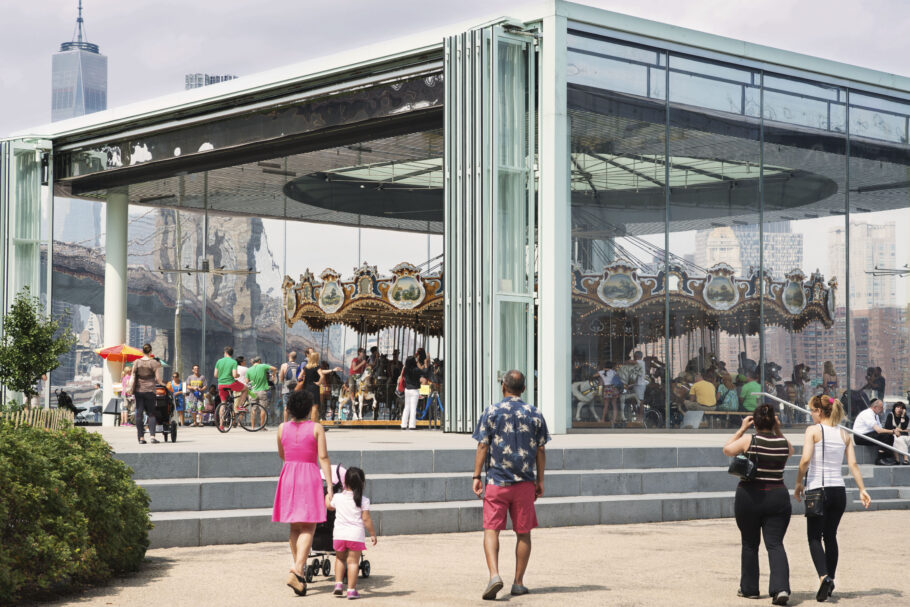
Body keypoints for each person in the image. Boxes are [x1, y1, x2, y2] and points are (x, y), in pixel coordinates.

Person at [472, 370, 550, 600]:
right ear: (524, 389)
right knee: (523, 533)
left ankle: (494, 575)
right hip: (524, 482)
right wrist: (541, 480)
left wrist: (477, 476)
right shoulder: (534, 413)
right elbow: (541, 449)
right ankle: (518, 582)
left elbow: (483, 446)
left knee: (491, 530)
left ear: (503, 387)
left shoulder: (492, 411)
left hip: (497, 481)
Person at [793, 394, 872, 602]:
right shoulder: (845, 434)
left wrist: (799, 482)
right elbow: (853, 465)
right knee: (830, 536)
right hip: (839, 491)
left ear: (819, 411)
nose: (810, 414)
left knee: (813, 537)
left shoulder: (813, 431)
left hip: (818, 490)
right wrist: (862, 489)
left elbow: (805, 460)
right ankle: (831, 580)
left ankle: (824, 577)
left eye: (811, 410)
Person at [722, 404, 793, 605]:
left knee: (750, 543)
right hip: (777, 496)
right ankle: (781, 589)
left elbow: (727, 449)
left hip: (750, 495)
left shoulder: (749, 439)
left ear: (755, 421)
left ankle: (750, 588)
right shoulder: (782, 443)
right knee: (775, 544)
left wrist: (742, 429)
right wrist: (778, 429)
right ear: (773, 421)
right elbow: (791, 450)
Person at [272, 390, 333, 596]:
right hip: (309, 475)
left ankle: (299, 573)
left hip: (289, 474)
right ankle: (297, 569)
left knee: (295, 527)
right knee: (309, 526)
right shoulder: (317, 428)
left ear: (289, 409)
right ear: (309, 409)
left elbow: (282, 454)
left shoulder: (281, 428)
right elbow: (323, 457)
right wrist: (331, 486)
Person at [326, 467, 377, 599]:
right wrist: (372, 533)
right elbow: (366, 519)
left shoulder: (337, 497)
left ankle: (338, 584)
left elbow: (329, 506)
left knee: (340, 559)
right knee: (353, 562)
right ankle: (351, 590)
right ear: (362, 483)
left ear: (345, 481)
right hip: (355, 536)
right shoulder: (364, 500)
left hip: (339, 535)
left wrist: (327, 495)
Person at [130, 344, 163, 444]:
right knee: (151, 413)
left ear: (142, 351)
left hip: (139, 390)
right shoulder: (153, 363)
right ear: (150, 351)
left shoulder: (137, 362)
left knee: (139, 414)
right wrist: (163, 384)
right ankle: (152, 437)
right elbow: (157, 378)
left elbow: (133, 375)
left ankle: (141, 438)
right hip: (150, 390)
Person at [853, 399, 897, 465]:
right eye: (881, 407)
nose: (882, 409)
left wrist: (892, 432)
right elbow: (878, 430)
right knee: (885, 436)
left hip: (869, 435)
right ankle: (880, 459)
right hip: (860, 437)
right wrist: (892, 431)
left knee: (889, 436)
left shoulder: (876, 415)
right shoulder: (867, 413)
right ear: (875, 407)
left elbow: (880, 429)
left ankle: (886, 457)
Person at [214, 346, 248, 414]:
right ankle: (240, 406)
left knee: (223, 403)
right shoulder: (233, 362)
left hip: (220, 384)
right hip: (231, 384)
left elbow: (215, 375)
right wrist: (238, 375)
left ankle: (221, 424)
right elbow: (234, 375)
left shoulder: (219, 361)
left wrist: (222, 376)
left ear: (225, 353)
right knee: (246, 389)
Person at [245, 356, 276, 430]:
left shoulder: (249, 370)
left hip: (252, 392)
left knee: (253, 409)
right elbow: (274, 368)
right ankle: (262, 427)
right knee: (263, 409)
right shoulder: (263, 366)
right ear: (259, 361)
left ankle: (252, 427)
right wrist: (273, 375)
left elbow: (246, 382)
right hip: (262, 391)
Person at [400, 355, 427, 430]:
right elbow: (424, 372)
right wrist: (421, 364)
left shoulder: (405, 369)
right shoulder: (416, 370)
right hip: (414, 390)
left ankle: (403, 424)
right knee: (413, 408)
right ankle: (412, 425)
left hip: (407, 390)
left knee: (406, 408)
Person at [278, 352, 301, 422]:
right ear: (296, 358)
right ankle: (294, 422)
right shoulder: (298, 366)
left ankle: (285, 423)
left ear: (289, 356)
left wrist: (282, 382)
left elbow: (281, 377)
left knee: (286, 407)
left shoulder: (284, 365)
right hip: (296, 389)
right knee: (294, 407)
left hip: (286, 389)